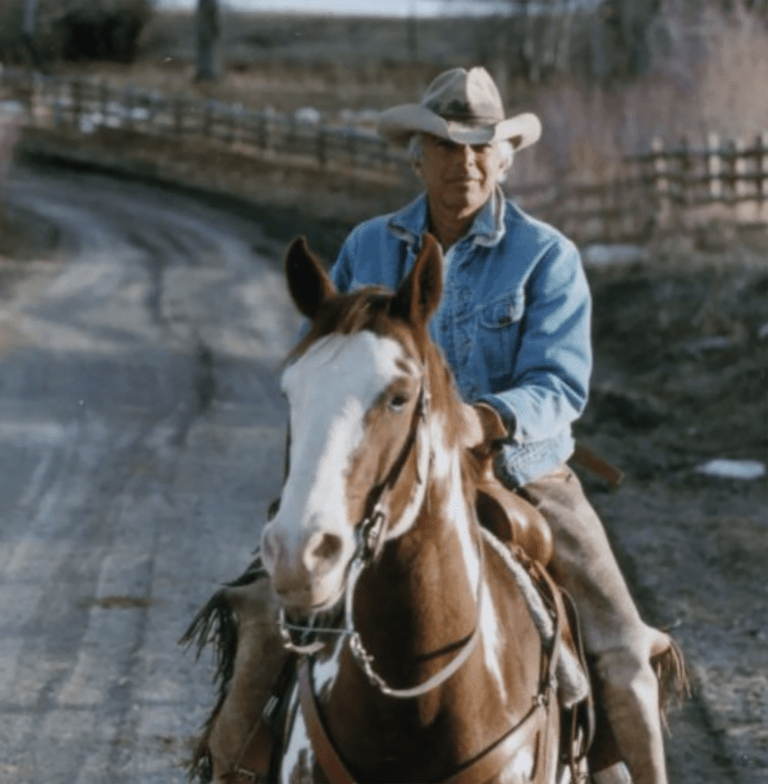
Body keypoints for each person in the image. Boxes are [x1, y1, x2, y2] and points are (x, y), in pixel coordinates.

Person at [327, 66, 682, 784]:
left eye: (480, 148)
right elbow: (331, 359)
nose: (464, 163)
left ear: (504, 159)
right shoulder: (367, 250)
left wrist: (481, 420)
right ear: (418, 158)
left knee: (621, 645)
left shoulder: (545, 255)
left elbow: (560, 384)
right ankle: (242, 761)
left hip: (524, 476)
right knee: (273, 603)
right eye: (446, 146)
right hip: (389, 478)